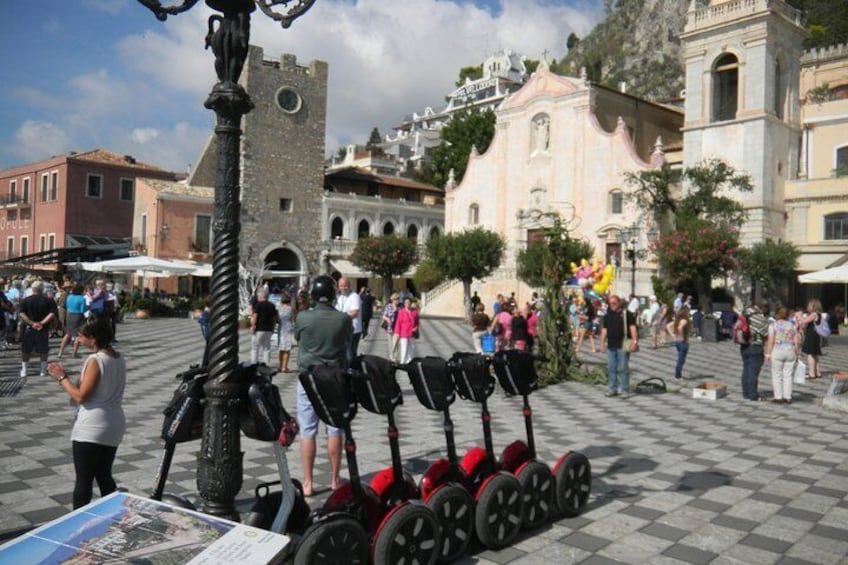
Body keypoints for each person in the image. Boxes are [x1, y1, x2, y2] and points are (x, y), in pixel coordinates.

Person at [47, 317, 126, 509]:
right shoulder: (118, 357)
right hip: (114, 422)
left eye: (81, 336)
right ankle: (116, 513)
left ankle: (78, 520)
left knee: (84, 480)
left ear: (93, 338)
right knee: (104, 474)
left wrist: (61, 377)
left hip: (93, 425)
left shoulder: (96, 360)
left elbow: (81, 397)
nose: (78, 340)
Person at [295, 275, 352, 496]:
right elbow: (347, 342)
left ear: (313, 295)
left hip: (308, 379)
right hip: (334, 378)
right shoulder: (343, 319)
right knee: (335, 428)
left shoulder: (303, 318)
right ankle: (335, 479)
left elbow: (299, 340)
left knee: (308, 431)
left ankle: (308, 482)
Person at [600, 295, 638, 397]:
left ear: (619, 303)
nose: (612, 305)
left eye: (614, 303)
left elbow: (633, 328)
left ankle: (625, 390)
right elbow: (604, 330)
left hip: (623, 345)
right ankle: (613, 389)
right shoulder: (608, 315)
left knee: (623, 368)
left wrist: (634, 342)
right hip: (611, 346)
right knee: (611, 368)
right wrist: (602, 343)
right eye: (610, 303)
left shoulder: (627, 314)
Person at [19, 281, 58, 378]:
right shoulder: (49, 300)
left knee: (26, 350)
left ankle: (24, 370)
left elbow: (22, 313)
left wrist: (31, 323)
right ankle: (42, 370)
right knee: (43, 350)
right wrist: (42, 323)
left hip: (29, 328)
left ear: (32, 289)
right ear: (42, 289)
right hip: (43, 328)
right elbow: (52, 314)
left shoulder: (26, 300)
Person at [765, 306, 799, 404]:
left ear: (777, 314)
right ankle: (787, 397)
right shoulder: (792, 325)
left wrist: (768, 353)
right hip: (790, 351)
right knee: (788, 375)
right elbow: (796, 341)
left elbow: (771, 341)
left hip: (777, 350)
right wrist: (797, 353)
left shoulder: (773, 325)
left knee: (777, 374)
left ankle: (778, 397)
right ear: (788, 314)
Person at [740, 303, 770, 401]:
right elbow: (767, 332)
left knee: (746, 370)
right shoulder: (758, 318)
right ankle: (753, 395)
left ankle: (746, 393)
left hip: (744, 345)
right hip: (755, 346)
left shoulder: (743, 316)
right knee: (753, 372)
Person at [335, 277, 362, 362]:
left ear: (349, 286)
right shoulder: (339, 297)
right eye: (341, 286)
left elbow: (354, 313)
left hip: (353, 330)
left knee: (350, 355)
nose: (343, 288)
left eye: (345, 286)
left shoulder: (354, 296)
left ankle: (353, 372)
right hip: (343, 330)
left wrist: (341, 316)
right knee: (343, 355)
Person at [59, 284, 88, 359]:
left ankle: (60, 352)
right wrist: (88, 307)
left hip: (69, 315)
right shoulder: (82, 299)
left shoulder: (69, 297)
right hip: (78, 316)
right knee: (78, 335)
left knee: (68, 334)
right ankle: (74, 352)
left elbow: (66, 306)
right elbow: (83, 310)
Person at [250, 288, 277, 365]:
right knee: (267, 348)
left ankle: (254, 364)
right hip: (268, 329)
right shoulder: (272, 305)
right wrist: (273, 327)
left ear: (260, 296)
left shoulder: (258, 305)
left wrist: (253, 326)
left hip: (259, 329)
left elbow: (255, 316)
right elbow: (275, 317)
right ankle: (266, 364)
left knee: (255, 348)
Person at [800, 299, 823, 379]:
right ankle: (817, 372)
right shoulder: (819, 314)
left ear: (813, 306)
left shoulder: (814, 314)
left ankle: (811, 373)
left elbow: (805, 321)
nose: (807, 307)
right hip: (816, 336)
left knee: (810, 355)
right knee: (815, 354)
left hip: (811, 336)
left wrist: (799, 315)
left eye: (809, 305)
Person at [669, 307, 691, 380]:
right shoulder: (684, 320)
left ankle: (678, 375)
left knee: (680, 359)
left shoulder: (677, 320)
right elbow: (680, 328)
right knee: (681, 360)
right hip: (683, 342)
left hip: (677, 342)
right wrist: (682, 337)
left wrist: (673, 335)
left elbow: (668, 326)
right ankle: (678, 376)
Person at [395, 297, 419, 364]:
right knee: (404, 349)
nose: (408, 304)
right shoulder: (401, 312)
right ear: (404, 304)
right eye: (406, 303)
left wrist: (416, 328)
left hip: (412, 333)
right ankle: (403, 362)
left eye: (409, 302)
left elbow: (417, 322)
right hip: (404, 333)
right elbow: (398, 323)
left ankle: (410, 362)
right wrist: (397, 334)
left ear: (411, 303)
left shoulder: (414, 312)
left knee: (412, 349)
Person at [277, 293, 295, 373]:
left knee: (281, 348)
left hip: (281, 329)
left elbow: (277, 319)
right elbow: (293, 319)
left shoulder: (279, 309)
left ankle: (280, 366)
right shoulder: (291, 309)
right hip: (288, 329)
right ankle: (285, 367)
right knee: (287, 349)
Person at [382, 293, 400, 362]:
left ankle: (395, 355)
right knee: (391, 343)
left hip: (397, 327)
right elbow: (384, 316)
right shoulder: (388, 306)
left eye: (398, 299)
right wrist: (387, 319)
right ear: (392, 300)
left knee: (396, 342)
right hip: (390, 327)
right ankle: (391, 355)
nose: (397, 301)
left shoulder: (400, 307)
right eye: (396, 299)